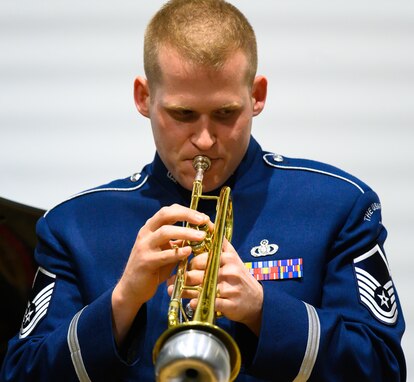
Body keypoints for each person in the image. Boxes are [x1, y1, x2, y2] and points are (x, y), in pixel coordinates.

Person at [0, 0, 406, 380]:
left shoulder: (336, 204)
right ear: (144, 98)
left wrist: (265, 311)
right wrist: (121, 303)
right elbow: (20, 372)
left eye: (226, 114)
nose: (206, 140)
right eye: (183, 114)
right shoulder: (74, 225)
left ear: (257, 96)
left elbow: (384, 367)